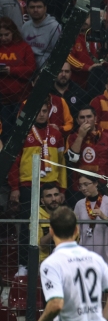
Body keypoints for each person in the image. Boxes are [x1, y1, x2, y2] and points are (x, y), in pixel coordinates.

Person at [8, 102, 67, 278]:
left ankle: (57, 263)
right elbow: (14, 162)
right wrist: (15, 187)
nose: (41, 114)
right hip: (28, 186)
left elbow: (62, 164)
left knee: (55, 225)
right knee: (27, 227)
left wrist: (62, 189)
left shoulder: (56, 133)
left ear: (49, 112)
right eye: (37, 111)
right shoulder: (22, 133)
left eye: (44, 111)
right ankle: (24, 264)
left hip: (51, 185)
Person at [65, 106, 108, 203]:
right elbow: (72, 159)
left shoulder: (107, 138)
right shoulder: (72, 138)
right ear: (77, 121)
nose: (86, 120)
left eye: (89, 116)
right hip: (80, 188)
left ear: (95, 118)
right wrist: (80, 136)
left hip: (103, 187)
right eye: (82, 117)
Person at [0, 17, 36, 133]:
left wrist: (11, 70)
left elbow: (31, 69)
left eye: (6, 34)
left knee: (20, 127)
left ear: (13, 32)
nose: (3, 38)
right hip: (2, 100)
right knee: (5, 128)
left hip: (21, 98)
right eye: (0, 35)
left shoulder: (24, 47)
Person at [73, 175, 108, 264]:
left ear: (95, 183)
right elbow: (74, 231)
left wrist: (104, 218)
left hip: (105, 254)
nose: (83, 188)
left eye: (86, 184)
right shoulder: (79, 204)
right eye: (80, 186)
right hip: (84, 254)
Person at [19, 0, 60, 68]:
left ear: (45, 8)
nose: (35, 10)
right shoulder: (25, 26)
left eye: (39, 7)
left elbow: (58, 53)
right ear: (27, 9)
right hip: (27, 66)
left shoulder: (54, 27)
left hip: (46, 68)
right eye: (32, 7)